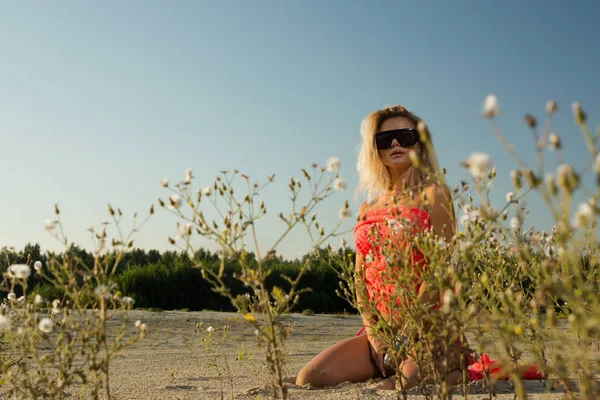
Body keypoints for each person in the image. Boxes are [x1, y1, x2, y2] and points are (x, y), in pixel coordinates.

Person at [295, 104, 464, 389]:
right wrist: (375, 334)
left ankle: (451, 364)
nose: (395, 143)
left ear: (420, 144)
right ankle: (390, 361)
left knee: (401, 385)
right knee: (310, 378)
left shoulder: (435, 194)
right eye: (385, 139)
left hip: (428, 328)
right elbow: (360, 278)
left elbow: (440, 271)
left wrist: (409, 333)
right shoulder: (367, 207)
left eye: (405, 136)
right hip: (382, 331)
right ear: (376, 150)